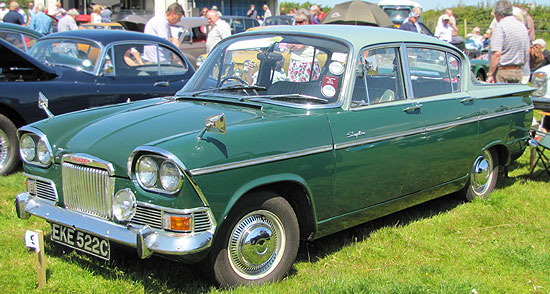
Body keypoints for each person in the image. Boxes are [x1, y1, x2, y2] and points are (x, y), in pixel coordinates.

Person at [487, 0, 530, 84]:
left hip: (503, 72)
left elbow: (496, 54)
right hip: (518, 71)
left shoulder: (500, 27)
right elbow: (527, 51)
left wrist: (490, 74)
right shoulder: (521, 26)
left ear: (497, 13)